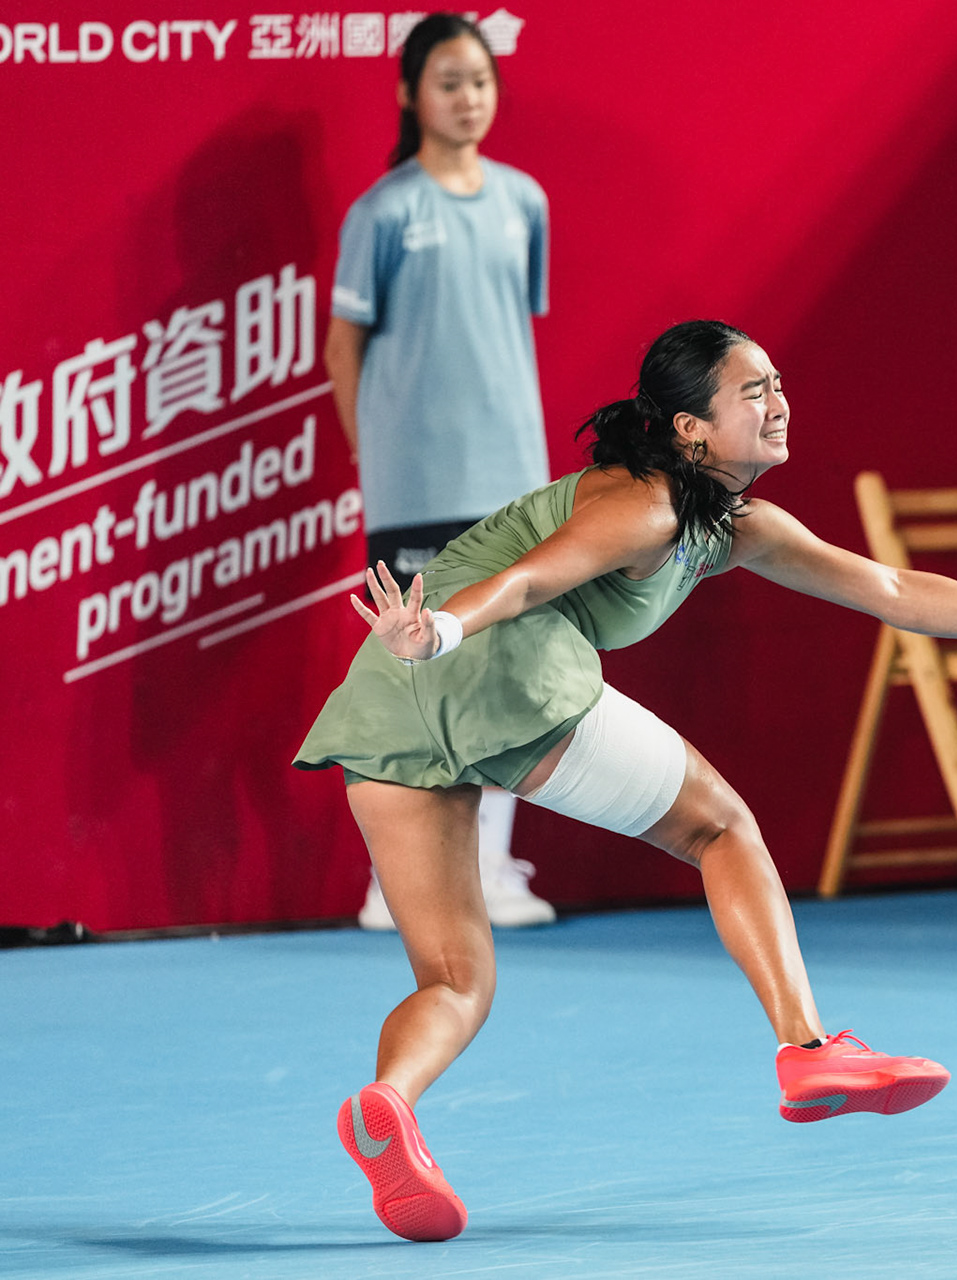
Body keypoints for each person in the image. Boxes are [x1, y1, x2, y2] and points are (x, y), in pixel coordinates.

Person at [295, 319, 957, 1242]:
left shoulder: (736, 525)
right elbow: (532, 582)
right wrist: (442, 631)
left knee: (455, 980)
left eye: (777, 383)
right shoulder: (645, 504)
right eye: (753, 390)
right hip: (486, 664)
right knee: (720, 829)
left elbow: (889, 590)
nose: (779, 402)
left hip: (385, 703)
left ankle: (388, 1103)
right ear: (691, 428)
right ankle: (809, 1052)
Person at [322, 11, 556, 930]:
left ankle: (491, 871)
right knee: (415, 679)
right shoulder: (381, 212)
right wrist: (371, 458)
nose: (469, 99)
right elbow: (345, 349)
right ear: (410, 95)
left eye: (481, 81)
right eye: (450, 82)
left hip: (510, 482)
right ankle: (400, 884)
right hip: (412, 483)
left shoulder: (524, 201)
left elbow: (507, 334)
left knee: (508, 669)